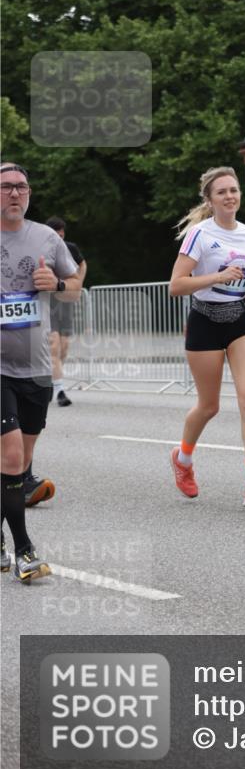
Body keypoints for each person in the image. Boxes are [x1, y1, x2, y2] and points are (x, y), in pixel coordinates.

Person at [168, 166, 245, 510]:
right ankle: (183, 459)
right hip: (204, 322)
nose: (230, 196)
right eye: (222, 192)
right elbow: (176, 285)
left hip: (240, 321)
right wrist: (216, 276)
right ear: (211, 200)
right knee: (209, 405)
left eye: (234, 190)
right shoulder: (200, 234)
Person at [1, 162, 80, 580]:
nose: (15, 193)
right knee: (12, 455)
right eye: (6, 187)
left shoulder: (47, 238)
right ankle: (25, 551)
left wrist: (58, 285)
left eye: (21, 187)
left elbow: (75, 288)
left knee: (17, 464)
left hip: (35, 368)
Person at [45, 216, 87, 407]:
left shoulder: (70, 247)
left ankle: (51, 376)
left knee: (64, 346)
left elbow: (82, 264)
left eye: (62, 233)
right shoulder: (41, 249)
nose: (59, 236)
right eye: (56, 232)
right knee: (54, 345)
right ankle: (59, 390)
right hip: (47, 301)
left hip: (66, 300)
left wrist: (77, 285)